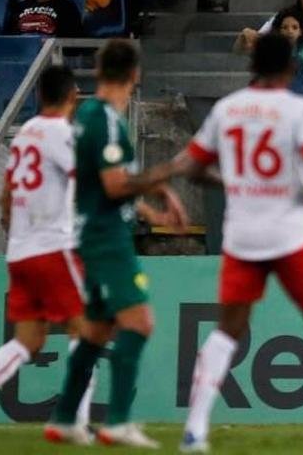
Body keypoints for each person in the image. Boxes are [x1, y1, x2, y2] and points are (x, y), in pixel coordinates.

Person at [132, 34, 303, 451]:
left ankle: (195, 430)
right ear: (289, 70)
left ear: (252, 67)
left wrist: (231, 181)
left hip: (243, 236)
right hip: (290, 233)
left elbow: (193, 167)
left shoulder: (226, 110)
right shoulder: (299, 110)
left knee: (228, 329)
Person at [44, 40, 188, 448]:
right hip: (106, 241)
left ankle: (65, 419)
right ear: (135, 75)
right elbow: (113, 184)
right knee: (140, 323)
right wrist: (164, 178)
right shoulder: (104, 119)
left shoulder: (88, 114)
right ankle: (119, 421)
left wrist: (149, 211)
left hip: (98, 230)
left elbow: (104, 187)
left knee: (95, 331)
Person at [0, 67, 95, 442]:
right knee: (85, 330)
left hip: (22, 251)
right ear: (72, 95)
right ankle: (76, 422)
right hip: (52, 247)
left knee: (29, 340)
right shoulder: (61, 133)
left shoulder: (26, 133)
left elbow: (8, 194)